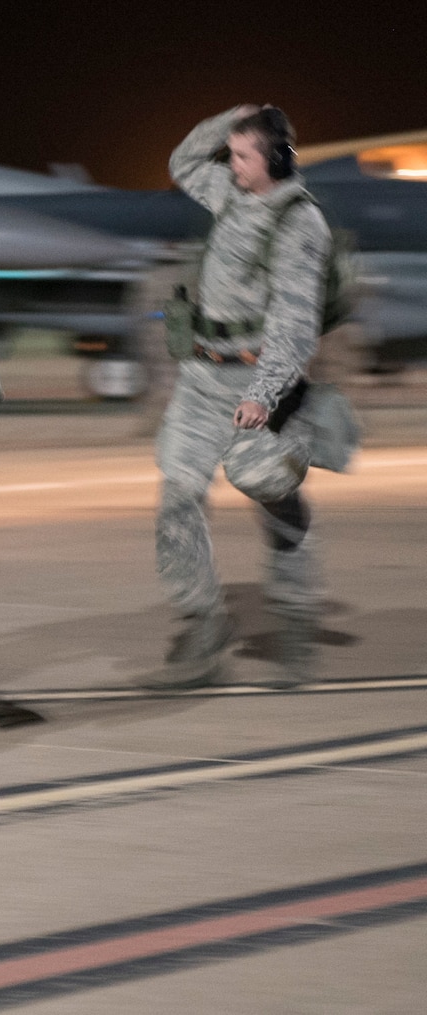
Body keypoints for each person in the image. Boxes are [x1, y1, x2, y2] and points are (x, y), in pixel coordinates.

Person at [146, 105, 332, 689]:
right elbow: (182, 162)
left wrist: (264, 394)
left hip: (258, 386)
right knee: (177, 496)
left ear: (275, 159)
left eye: (244, 155)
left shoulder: (300, 225)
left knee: (273, 497)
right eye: (230, 154)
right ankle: (204, 625)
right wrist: (233, 119)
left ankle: (296, 617)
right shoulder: (230, 192)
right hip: (202, 377)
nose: (231, 164)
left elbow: (295, 325)